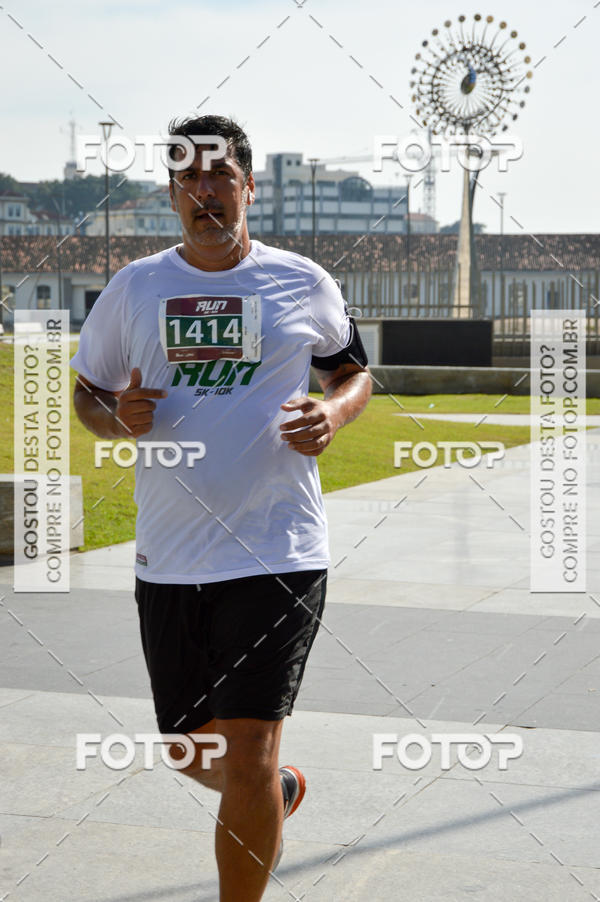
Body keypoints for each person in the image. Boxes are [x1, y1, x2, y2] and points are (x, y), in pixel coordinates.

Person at [71, 114, 371, 902]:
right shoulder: (136, 287)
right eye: (189, 178)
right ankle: (276, 791)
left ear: (249, 186)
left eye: (220, 175)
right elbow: (87, 393)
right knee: (187, 749)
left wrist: (333, 413)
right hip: (170, 555)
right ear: (172, 194)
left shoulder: (301, 280)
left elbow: (352, 372)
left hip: (279, 550)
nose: (205, 191)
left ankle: (258, 802)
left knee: (250, 750)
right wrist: (116, 418)